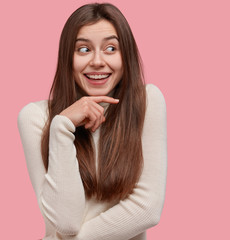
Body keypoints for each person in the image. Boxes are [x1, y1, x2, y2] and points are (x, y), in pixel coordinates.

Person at [17, 3, 167, 240]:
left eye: (110, 48)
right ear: (68, 57)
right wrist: (62, 126)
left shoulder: (147, 102)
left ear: (125, 55)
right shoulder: (36, 118)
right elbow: (66, 223)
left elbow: (147, 209)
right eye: (83, 50)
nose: (97, 61)